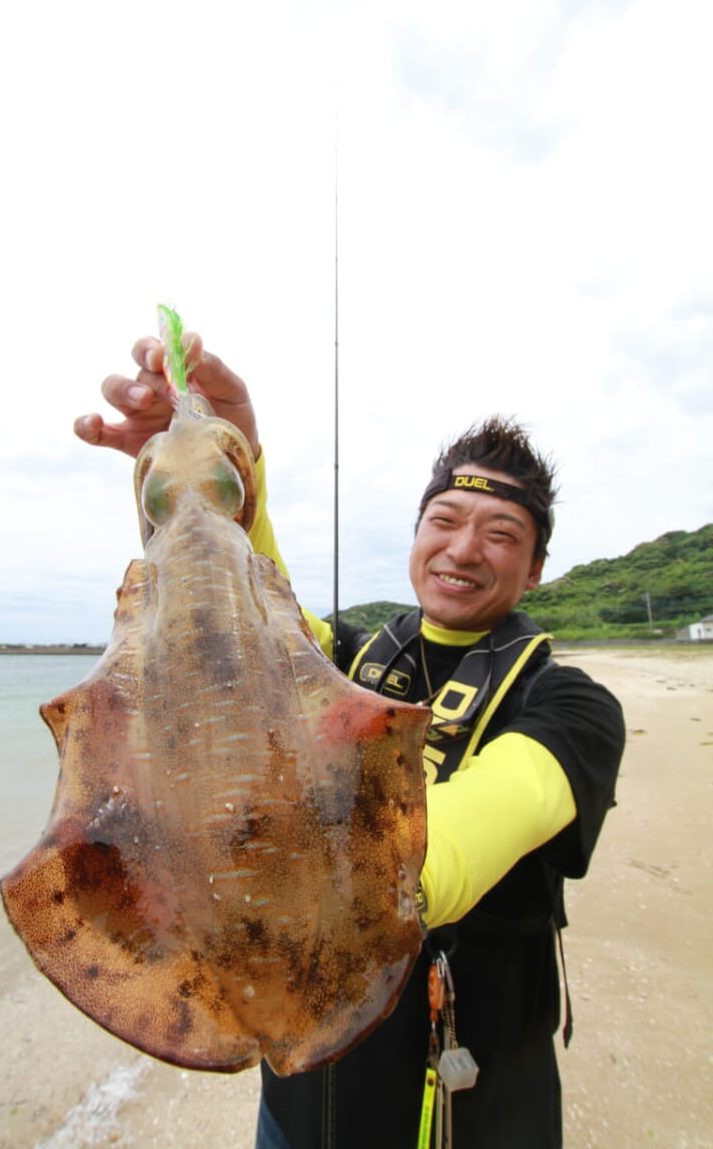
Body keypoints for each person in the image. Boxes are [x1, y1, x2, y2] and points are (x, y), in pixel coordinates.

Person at [75, 331, 625, 1149]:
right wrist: (228, 475)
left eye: (502, 534)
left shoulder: (571, 708)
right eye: (445, 520)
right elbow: (253, 625)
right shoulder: (347, 659)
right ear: (416, 536)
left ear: (537, 568)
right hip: (296, 1114)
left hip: (467, 1119)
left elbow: (451, 856)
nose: (465, 549)